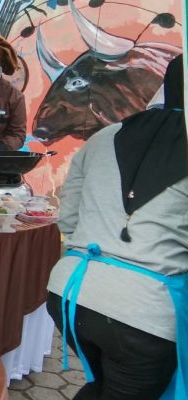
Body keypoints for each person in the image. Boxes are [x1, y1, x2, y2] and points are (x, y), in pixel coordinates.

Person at [46, 55, 187, 400]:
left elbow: (68, 220)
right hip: (143, 316)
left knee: (103, 388)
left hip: (70, 294)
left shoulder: (105, 136)